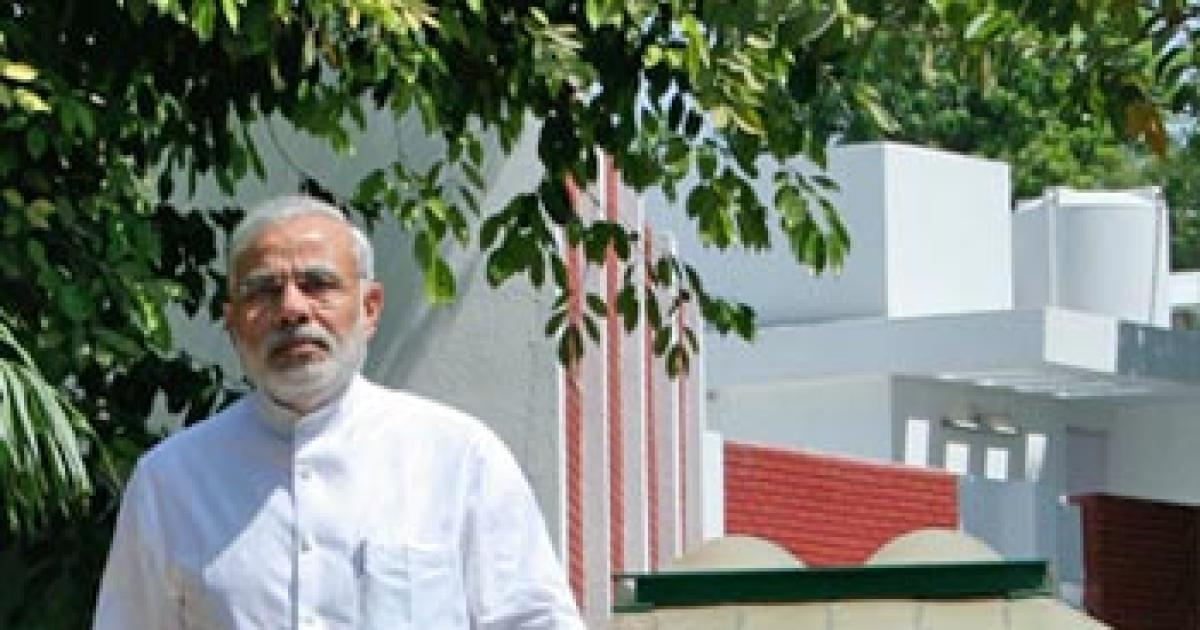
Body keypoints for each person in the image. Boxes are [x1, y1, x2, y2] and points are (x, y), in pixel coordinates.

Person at [93, 195, 585, 629]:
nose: (292, 309)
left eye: (317, 283)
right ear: (233, 323)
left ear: (369, 308)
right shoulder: (171, 482)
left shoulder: (457, 459)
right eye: (263, 290)